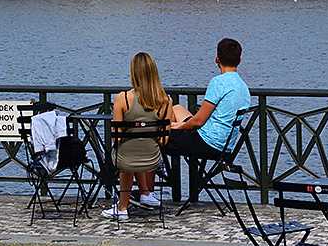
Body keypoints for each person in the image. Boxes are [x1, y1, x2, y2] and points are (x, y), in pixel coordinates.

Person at [102, 52, 174, 220]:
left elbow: (116, 138)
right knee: (136, 150)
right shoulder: (166, 101)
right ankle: (145, 194)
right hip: (151, 159)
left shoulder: (122, 98)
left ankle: (122, 207)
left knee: (128, 153)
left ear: (133, 73)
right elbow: (164, 139)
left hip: (126, 158)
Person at [164, 38, 250, 161]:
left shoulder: (219, 82)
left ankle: (152, 175)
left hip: (207, 144)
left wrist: (179, 127)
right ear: (239, 61)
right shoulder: (243, 87)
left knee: (155, 135)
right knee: (177, 109)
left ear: (217, 59)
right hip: (225, 147)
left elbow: (198, 122)